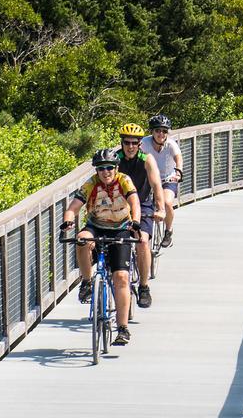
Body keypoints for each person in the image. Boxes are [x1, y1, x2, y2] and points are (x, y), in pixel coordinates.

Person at [62, 148, 138, 345]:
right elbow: (73, 207)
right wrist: (68, 220)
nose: (106, 172)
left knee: (121, 277)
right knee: (81, 239)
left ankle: (122, 328)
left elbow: (134, 202)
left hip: (120, 228)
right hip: (96, 227)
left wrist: (136, 221)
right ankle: (87, 282)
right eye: (101, 168)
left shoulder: (124, 180)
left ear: (116, 168)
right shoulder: (91, 184)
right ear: (96, 170)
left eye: (109, 168)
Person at [114, 123, 165, 310]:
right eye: (126, 142)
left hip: (142, 205)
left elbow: (157, 185)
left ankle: (144, 286)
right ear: (121, 143)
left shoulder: (147, 159)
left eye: (134, 143)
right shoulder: (115, 160)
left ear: (139, 144)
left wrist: (161, 208)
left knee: (143, 242)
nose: (130, 146)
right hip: (119, 207)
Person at [143, 114, 183, 247]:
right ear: (152, 132)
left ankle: (168, 231)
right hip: (149, 178)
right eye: (157, 130)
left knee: (167, 203)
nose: (161, 134)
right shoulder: (144, 143)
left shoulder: (171, 144)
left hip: (167, 178)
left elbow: (178, 158)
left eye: (164, 131)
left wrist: (178, 172)